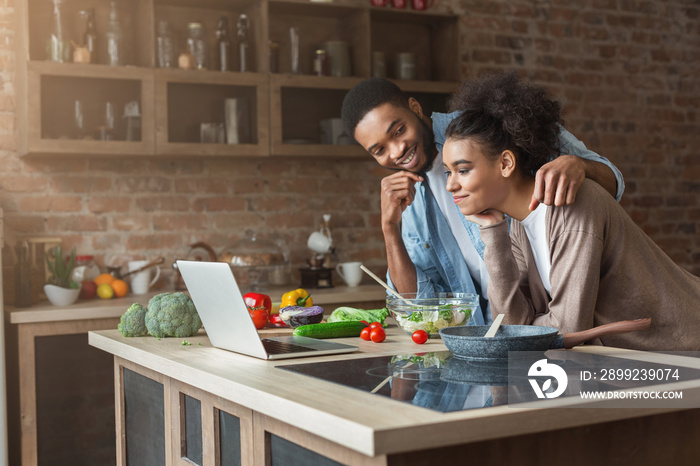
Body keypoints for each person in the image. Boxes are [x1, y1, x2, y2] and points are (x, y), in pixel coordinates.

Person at [442, 71, 700, 350]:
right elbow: (507, 327)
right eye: (448, 172)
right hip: (635, 364)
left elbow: (566, 329)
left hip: (685, 349)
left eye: (463, 170)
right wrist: (493, 233)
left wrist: (532, 326)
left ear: (506, 163)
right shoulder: (517, 224)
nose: (450, 185)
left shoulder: (573, 205)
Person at [341, 77, 625, 325]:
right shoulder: (409, 199)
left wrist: (580, 166)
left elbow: (612, 184)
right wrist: (389, 228)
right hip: (499, 333)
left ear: (415, 108)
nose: (397, 150)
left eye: (399, 130)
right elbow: (419, 307)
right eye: (379, 150)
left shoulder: (491, 126)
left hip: (563, 319)